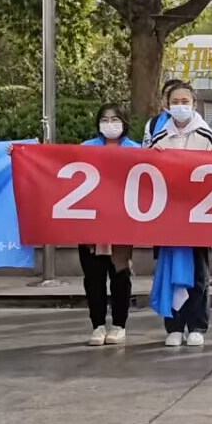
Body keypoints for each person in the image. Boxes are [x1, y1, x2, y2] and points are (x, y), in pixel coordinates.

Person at [147, 81, 212, 347]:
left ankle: (197, 325)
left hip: (198, 215)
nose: (180, 106)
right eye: (175, 102)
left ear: (194, 104)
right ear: (166, 105)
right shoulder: (159, 138)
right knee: (168, 268)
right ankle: (174, 325)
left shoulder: (208, 137)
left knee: (198, 272)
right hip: (168, 215)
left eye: (185, 101)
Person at [78, 104, 138, 346]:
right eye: (104, 119)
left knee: (120, 275)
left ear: (124, 122)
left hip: (121, 223)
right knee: (93, 277)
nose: (110, 123)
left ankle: (119, 325)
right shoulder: (86, 148)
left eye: (115, 119)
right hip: (90, 223)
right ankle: (98, 325)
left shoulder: (136, 150)